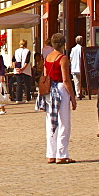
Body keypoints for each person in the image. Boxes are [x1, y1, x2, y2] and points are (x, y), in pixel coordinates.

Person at [39, 32, 76, 164]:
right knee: (64, 122)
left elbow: (45, 75)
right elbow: (66, 80)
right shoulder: (63, 58)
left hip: (49, 91)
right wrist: (73, 97)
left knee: (50, 122)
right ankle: (62, 154)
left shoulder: (48, 57)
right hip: (60, 88)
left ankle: (51, 154)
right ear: (63, 44)